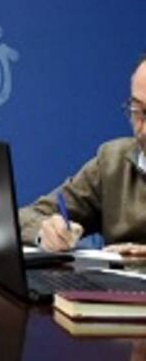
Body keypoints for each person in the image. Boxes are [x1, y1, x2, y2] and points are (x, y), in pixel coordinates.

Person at [19, 56, 146, 255]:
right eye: (138, 111)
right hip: (118, 286)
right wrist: (46, 232)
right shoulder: (112, 162)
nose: (143, 130)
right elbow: (26, 217)